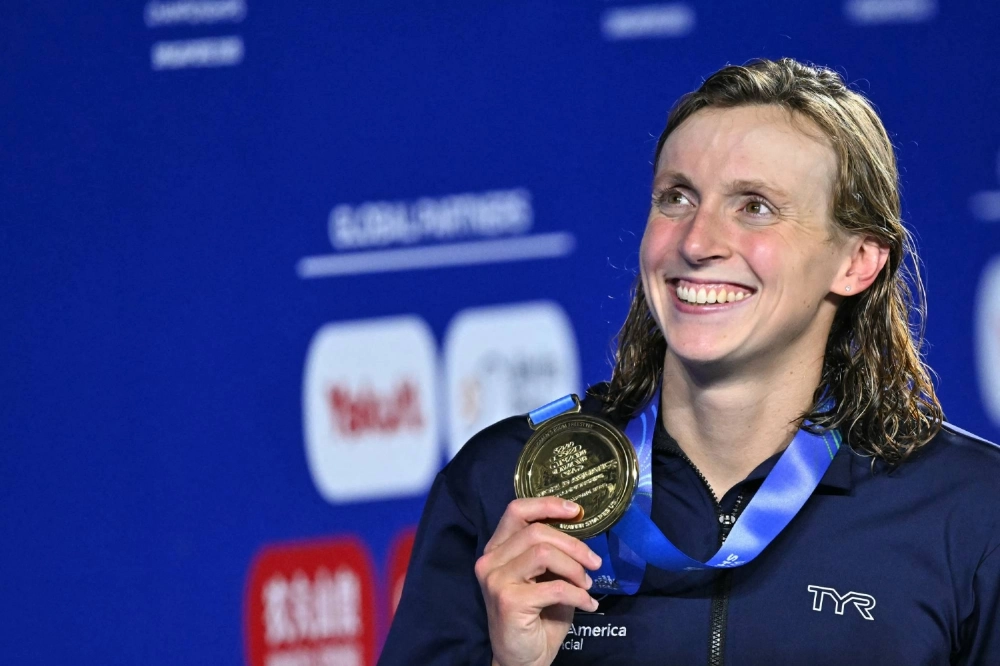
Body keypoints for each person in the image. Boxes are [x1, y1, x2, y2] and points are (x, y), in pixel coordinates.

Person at [378, 58, 1000, 665]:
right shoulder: (505, 485)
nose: (697, 242)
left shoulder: (969, 512)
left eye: (754, 206)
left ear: (858, 261)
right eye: (676, 198)